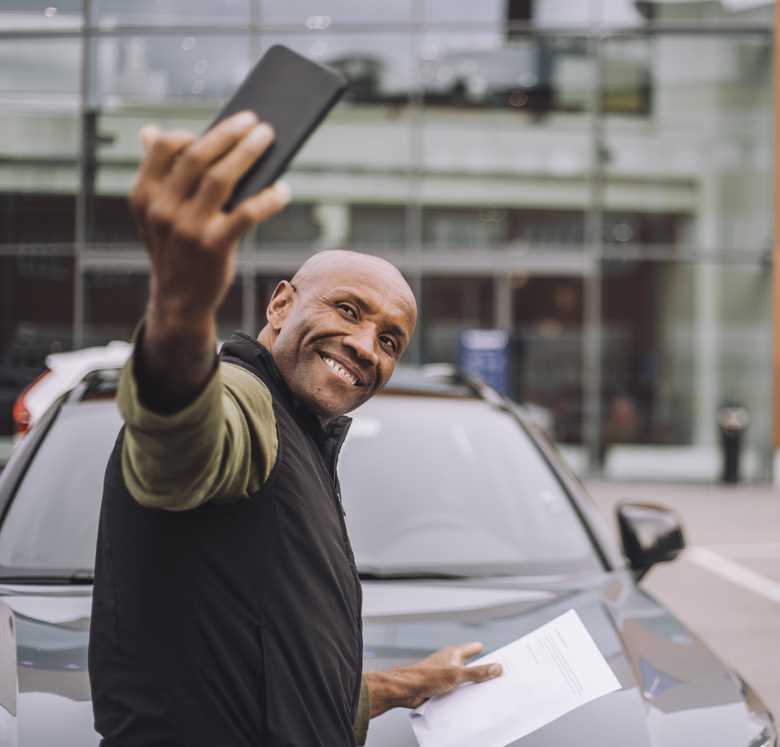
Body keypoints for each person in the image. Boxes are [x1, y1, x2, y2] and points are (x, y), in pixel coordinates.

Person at [88, 111, 502, 746]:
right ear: (280, 304)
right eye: (347, 309)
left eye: (389, 339)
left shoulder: (305, 436)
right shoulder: (247, 401)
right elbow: (178, 437)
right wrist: (182, 300)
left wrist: (401, 686)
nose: (366, 346)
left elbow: (264, 687)